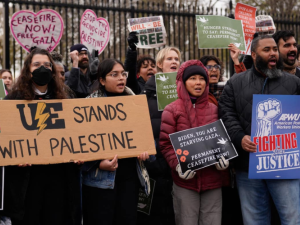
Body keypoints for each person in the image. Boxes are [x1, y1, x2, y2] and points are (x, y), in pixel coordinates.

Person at [219, 35, 300, 225]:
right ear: (254, 55)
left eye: (274, 49)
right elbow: (226, 113)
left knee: (292, 218)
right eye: (266, 50)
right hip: (248, 166)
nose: (273, 53)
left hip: (284, 165)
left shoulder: (294, 83)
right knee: (254, 219)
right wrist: (239, 137)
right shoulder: (235, 83)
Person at [2, 48, 81, 225]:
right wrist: (14, 158)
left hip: (58, 178)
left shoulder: (65, 100)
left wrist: (79, 153)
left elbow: (75, 134)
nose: (42, 68)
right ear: (28, 70)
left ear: (52, 70)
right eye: (37, 65)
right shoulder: (12, 101)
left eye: (47, 65)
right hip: (27, 180)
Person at [160, 59, 229, 225]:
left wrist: (225, 159)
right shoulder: (171, 110)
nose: (198, 82)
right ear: (183, 82)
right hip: (185, 183)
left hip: (213, 180)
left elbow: (222, 139)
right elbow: (165, 144)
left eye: (202, 78)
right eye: (192, 78)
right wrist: (177, 165)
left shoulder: (215, 108)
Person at [81, 58, 150, 225]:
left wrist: (145, 150)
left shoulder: (135, 102)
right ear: (102, 80)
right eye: (115, 74)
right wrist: (98, 163)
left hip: (129, 178)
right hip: (99, 182)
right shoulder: (87, 106)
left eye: (123, 74)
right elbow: (80, 144)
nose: (121, 78)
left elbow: (144, 136)